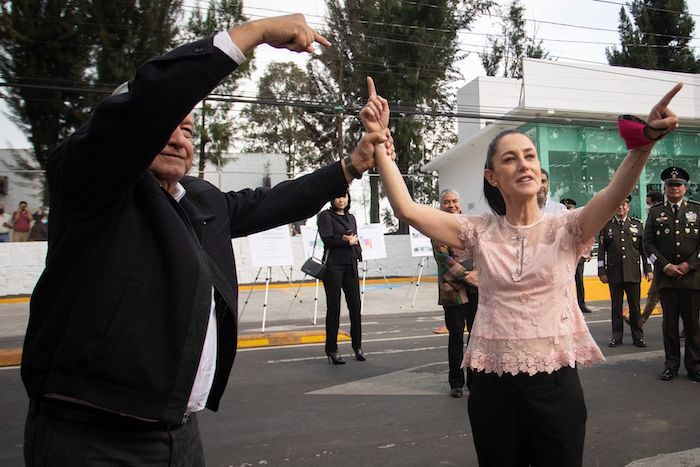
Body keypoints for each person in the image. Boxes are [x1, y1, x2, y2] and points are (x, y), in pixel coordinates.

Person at [21, 14, 394, 466]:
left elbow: (275, 202)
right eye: (169, 124)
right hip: (92, 440)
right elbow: (147, 105)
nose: (180, 139)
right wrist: (254, 33)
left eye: (190, 131)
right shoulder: (93, 180)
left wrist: (353, 163)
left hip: (179, 435)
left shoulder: (200, 200)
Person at [364, 76, 682, 465]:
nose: (524, 164)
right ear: (492, 177)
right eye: (510, 158)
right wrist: (380, 143)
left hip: (555, 384)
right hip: (492, 384)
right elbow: (408, 210)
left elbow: (614, 191)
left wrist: (644, 142)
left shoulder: (568, 227)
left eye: (530, 155)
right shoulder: (477, 231)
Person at [643, 166, 700, 382]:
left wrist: (690, 264)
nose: (674, 188)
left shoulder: (697, 210)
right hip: (666, 279)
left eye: (678, 185)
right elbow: (648, 244)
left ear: (685, 188)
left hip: (692, 278)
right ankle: (671, 365)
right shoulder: (655, 212)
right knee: (669, 326)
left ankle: (694, 366)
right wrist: (664, 266)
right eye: (670, 185)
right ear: (665, 188)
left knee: (693, 326)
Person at [431, 189, 478, 398]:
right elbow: (443, 260)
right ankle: (456, 383)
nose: (451, 205)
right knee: (456, 338)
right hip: (453, 293)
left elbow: (480, 252)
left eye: (454, 201)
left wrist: (477, 273)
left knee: (476, 338)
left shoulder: (470, 225)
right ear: (441, 205)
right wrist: (467, 275)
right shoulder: (437, 229)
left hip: (475, 290)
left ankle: (475, 381)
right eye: (446, 202)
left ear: (460, 203)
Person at [598, 195, 652, 348]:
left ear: (628, 206)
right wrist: (602, 271)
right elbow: (602, 252)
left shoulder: (637, 225)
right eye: (618, 205)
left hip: (632, 273)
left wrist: (648, 270)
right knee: (616, 306)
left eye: (624, 204)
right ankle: (617, 336)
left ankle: (638, 337)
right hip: (614, 274)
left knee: (634, 307)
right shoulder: (606, 226)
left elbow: (644, 251)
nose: (621, 207)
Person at [317, 191, 364, 364]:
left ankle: (357, 347)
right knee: (334, 309)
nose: (341, 200)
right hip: (333, 267)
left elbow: (355, 239)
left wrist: (357, 251)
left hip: (351, 265)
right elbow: (327, 240)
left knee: (355, 307)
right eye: (338, 197)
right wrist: (345, 241)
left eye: (344, 196)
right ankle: (332, 349)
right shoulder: (325, 216)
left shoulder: (351, 217)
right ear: (332, 199)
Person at [562, 198, 593, 314]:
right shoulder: (560, 221)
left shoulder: (579, 221)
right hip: (564, 257)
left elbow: (587, 235)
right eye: (568, 208)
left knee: (579, 281)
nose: (570, 210)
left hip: (579, 257)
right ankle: (566, 304)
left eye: (571, 208)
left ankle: (581, 304)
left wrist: (588, 252)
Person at [641, 191, 664, 323]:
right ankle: (641, 320)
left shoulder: (661, 218)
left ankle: (641, 320)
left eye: (649, 204)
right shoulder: (652, 219)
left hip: (668, 264)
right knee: (654, 294)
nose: (647, 207)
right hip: (660, 264)